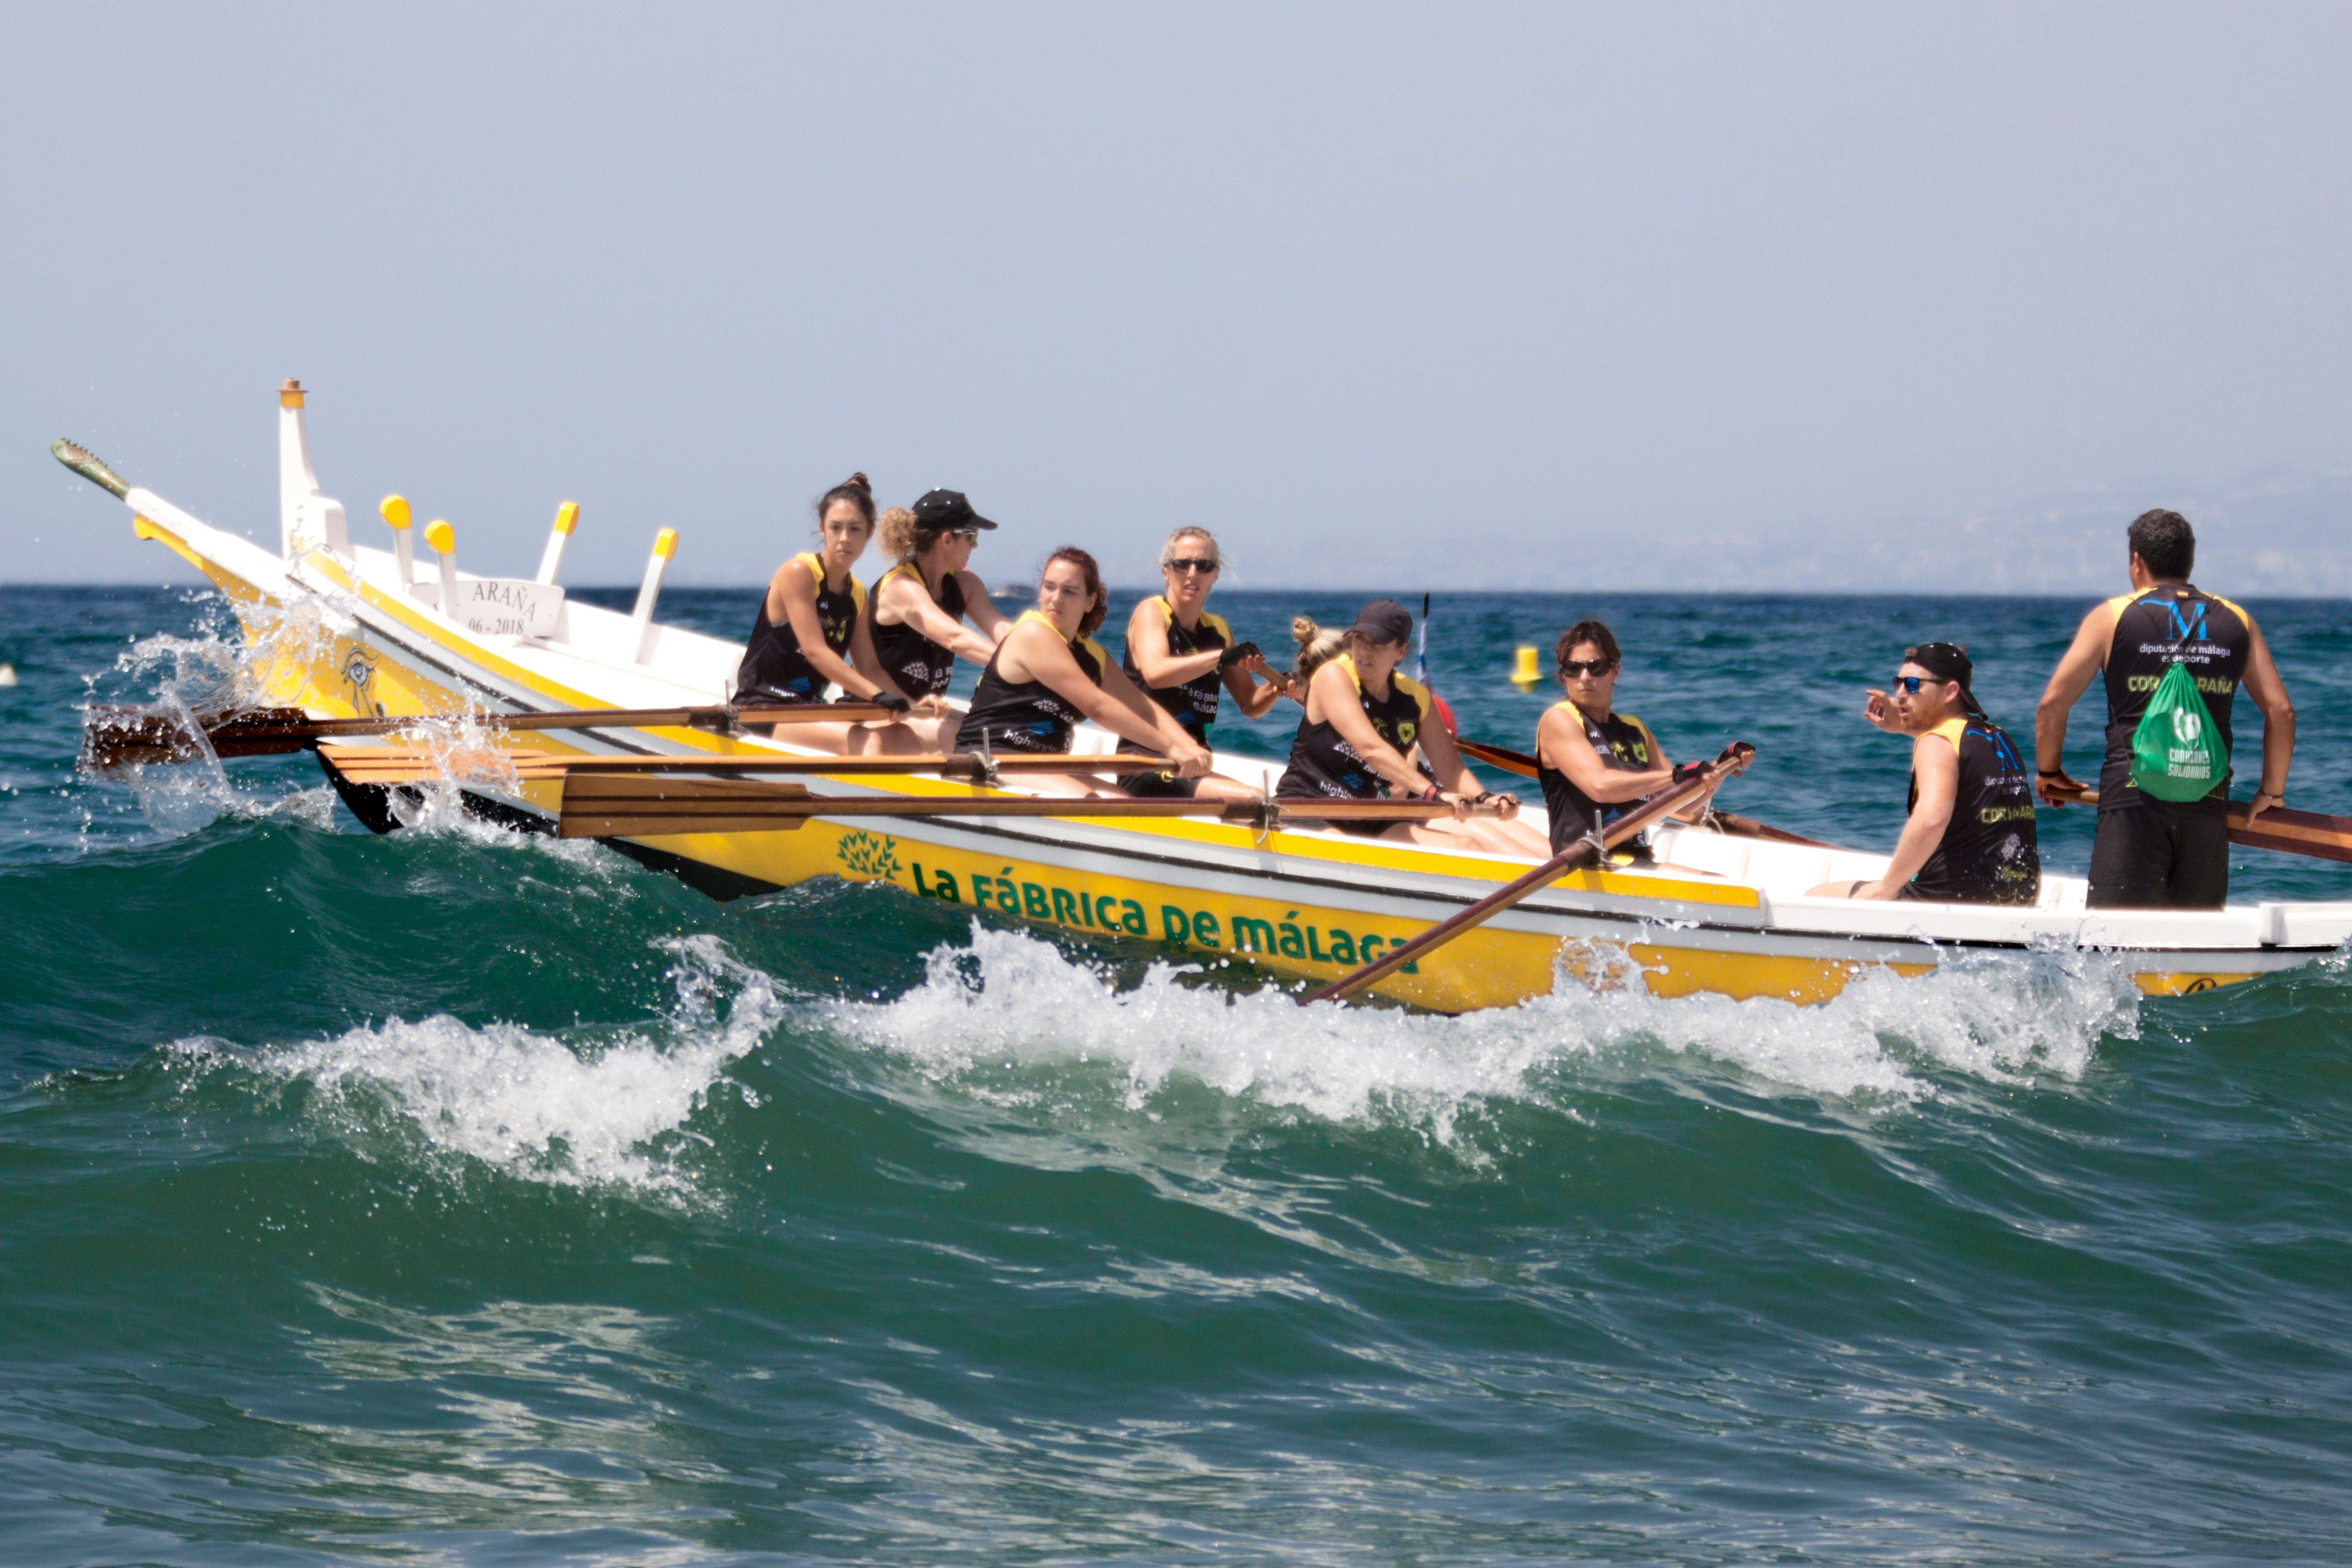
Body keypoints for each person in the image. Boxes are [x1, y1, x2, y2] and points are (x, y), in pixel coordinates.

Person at [2033, 508, 2295, 908]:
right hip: (2207, 797)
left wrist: (2050, 772)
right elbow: (2280, 712)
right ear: (2189, 561)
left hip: (2133, 799)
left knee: (2114, 940)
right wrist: (2271, 792)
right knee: (2194, 941)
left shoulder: (2113, 617)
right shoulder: (2237, 620)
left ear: (2136, 561)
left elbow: (2053, 705)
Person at [1276, 600, 1541, 854]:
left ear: (1401, 651)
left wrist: (1485, 798)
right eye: (1360, 639)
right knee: (1347, 851)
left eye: (1378, 643)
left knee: (1468, 848)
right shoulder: (1333, 675)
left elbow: (1450, 768)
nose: (1366, 651)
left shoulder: (1416, 699)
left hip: (1371, 815)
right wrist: (1435, 794)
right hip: (1309, 805)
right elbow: (1371, 750)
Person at [954, 546, 1213, 793]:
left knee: (1124, 804)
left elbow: (1143, 707)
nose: (1056, 599)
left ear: (1090, 601)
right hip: (991, 756)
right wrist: (1170, 748)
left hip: (1046, 764)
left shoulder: (1091, 656)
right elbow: (1097, 707)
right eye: (1049, 587)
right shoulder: (1033, 634)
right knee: (1096, 806)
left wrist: (1189, 745)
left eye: (1069, 591)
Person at [1808, 642, 2041, 903]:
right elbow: (1955, 751)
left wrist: (1886, 889)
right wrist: (1905, 725)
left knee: (1814, 897)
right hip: (2016, 899)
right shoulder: (1998, 737)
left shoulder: (1934, 743)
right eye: (1898, 682)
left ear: (1951, 691)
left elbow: (1932, 818)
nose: (1900, 694)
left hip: (1947, 901)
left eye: (1913, 685)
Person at [1117, 527, 1286, 799]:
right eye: (1182, 565)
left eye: (1204, 566)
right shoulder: (1152, 613)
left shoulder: (1218, 630)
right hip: (1146, 763)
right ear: (1166, 572)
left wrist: (1277, 687)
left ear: (1215, 575)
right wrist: (1222, 657)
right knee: (1254, 798)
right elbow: (1155, 673)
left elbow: (1250, 705)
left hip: (1193, 764)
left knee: (1266, 801)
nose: (1193, 573)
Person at [734, 473, 926, 713]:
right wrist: (877, 696)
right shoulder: (800, 573)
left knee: (890, 738)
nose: (845, 538)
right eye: (836, 528)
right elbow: (816, 652)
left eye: (855, 529)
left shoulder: (857, 593)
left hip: (810, 709)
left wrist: (914, 706)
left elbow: (870, 669)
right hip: (762, 706)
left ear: (870, 532)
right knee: (868, 745)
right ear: (822, 530)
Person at [1535, 620, 1715, 865]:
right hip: (1587, 864)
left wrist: (1710, 781)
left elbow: (1682, 808)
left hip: (1635, 861)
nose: (1584, 678)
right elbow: (1600, 785)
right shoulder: (1560, 720)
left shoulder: (1635, 730)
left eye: (1596, 667)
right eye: (1573, 669)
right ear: (1563, 675)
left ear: (1615, 671)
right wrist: (1676, 776)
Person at [869, 488, 1012, 700]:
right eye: (971, 535)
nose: (975, 544)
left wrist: (1042, 657)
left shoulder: (965, 584)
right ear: (947, 540)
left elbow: (1002, 630)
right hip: (877, 709)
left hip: (920, 711)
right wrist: (1016, 666)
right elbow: (955, 638)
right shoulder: (902, 587)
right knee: (972, 733)